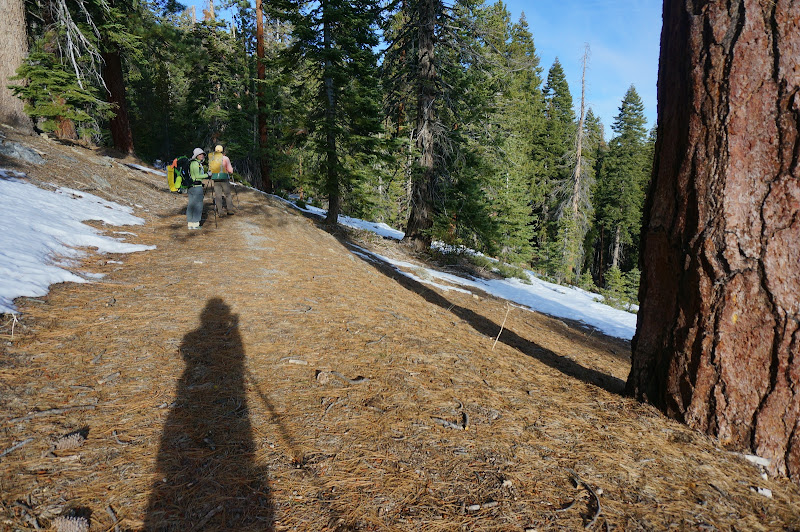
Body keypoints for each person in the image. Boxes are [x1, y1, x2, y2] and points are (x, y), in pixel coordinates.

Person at [207, 144, 236, 216]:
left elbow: (210, 169)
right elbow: (230, 170)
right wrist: (231, 170)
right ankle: (229, 210)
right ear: (222, 150)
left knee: (218, 195)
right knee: (227, 194)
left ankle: (220, 211)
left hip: (215, 178)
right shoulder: (225, 158)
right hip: (224, 178)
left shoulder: (212, 158)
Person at [186, 147, 208, 230]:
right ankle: (195, 223)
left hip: (191, 187)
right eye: (200, 154)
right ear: (196, 155)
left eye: (202, 154)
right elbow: (197, 176)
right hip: (197, 187)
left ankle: (190, 223)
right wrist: (207, 175)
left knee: (191, 204)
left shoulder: (192, 163)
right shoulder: (195, 164)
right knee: (198, 205)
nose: (202, 155)